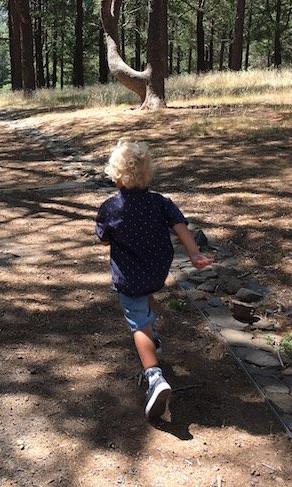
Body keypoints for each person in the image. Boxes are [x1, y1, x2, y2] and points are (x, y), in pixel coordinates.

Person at [95, 138, 213, 420]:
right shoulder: (161, 203)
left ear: (117, 177)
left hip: (129, 275)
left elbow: (103, 239)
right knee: (145, 297)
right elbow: (181, 228)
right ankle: (155, 337)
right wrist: (194, 254)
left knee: (137, 324)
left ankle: (155, 377)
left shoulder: (110, 208)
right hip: (157, 269)